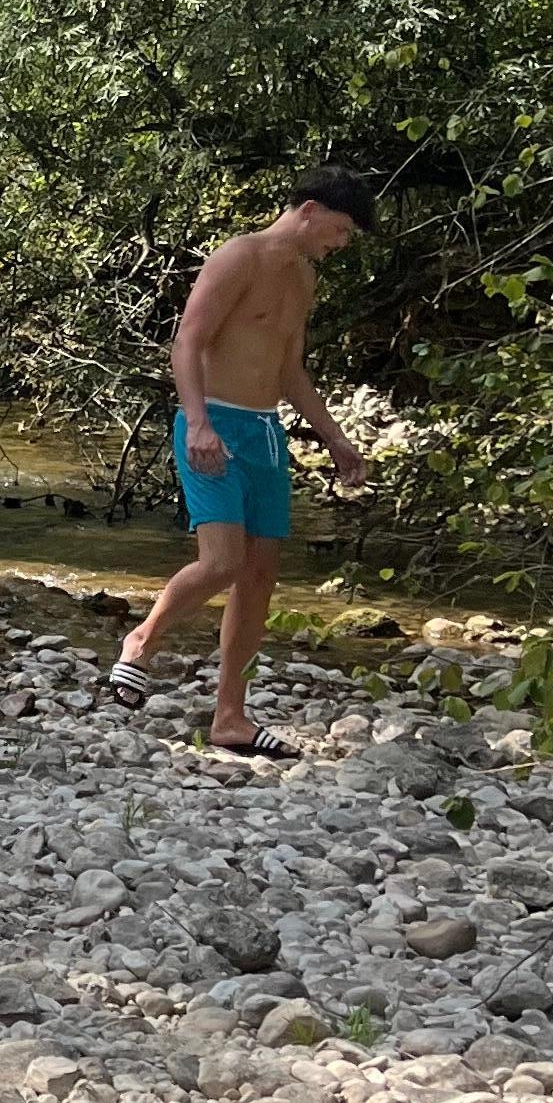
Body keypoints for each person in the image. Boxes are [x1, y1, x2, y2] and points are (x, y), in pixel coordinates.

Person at [105, 167, 377, 756]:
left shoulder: (302, 277)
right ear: (308, 210)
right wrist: (198, 421)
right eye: (339, 229)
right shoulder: (239, 256)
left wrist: (334, 437)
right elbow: (188, 341)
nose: (340, 243)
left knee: (258, 576)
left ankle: (231, 717)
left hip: (265, 432)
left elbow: (289, 370)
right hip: (214, 424)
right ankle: (142, 641)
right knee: (222, 562)